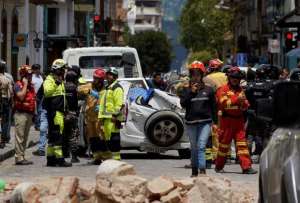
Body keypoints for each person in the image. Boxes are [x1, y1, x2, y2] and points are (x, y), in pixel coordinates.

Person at [215, 67, 257, 174]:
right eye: (233, 77)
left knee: (242, 145)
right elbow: (223, 103)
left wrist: (244, 104)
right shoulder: (222, 89)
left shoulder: (240, 90)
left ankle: (246, 167)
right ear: (229, 77)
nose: (235, 79)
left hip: (239, 122)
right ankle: (219, 166)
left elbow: (246, 104)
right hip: (227, 122)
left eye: (237, 78)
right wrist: (236, 100)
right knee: (224, 145)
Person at [180, 61, 217, 177]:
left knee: (201, 146)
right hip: (191, 123)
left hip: (205, 122)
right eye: (193, 74)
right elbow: (183, 104)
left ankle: (202, 170)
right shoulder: (186, 90)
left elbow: (213, 107)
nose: (195, 77)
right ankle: (194, 170)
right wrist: (191, 92)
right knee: (194, 147)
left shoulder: (209, 90)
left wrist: (216, 123)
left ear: (202, 75)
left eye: (198, 74)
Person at [43, 59, 72, 167]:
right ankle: (60, 160)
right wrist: (56, 83)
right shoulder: (50, 80)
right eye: (63, 69)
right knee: (58, 135)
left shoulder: (58, 80)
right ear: (58, 69)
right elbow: (47, 92)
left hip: (59, 112)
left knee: (52, 136)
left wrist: (66, 110)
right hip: (55, 112)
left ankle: (50, 159)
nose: (65, 71)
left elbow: (62, 97)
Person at [78, 68, 106, 165]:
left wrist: (100, 104)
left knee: (101, 137)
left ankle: (105, 157)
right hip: (90, 117)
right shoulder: (90, 86)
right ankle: (96, 157)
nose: (95, 80)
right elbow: (79, 89)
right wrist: (88, 91)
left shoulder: (105, 89)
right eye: (94, 78)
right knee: (93, 138)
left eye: (97, 78)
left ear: (102, 80)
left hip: (100, 117)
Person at [98, 67, 125, 161]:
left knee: (114, 139)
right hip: (106, 118)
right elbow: (103, 104)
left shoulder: (117, 88)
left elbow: (119, 104)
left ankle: (116, 159)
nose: (108, 76)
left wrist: (115, 115)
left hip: (113, 119)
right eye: (107, 74)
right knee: (107, 140)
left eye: (110, 75)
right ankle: (109, 159)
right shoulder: (107, 88)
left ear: (115, 77)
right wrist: (100, 118)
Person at [14, 65, 36, 165]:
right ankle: (19, 158)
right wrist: (25, 84)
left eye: (31, 75)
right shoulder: (18, 85)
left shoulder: (31, 86)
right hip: (20, 114)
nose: (30, 77)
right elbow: (21, 97)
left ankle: (22, 156)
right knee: (20, 136)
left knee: (25, 136)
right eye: (28, 75)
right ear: (23, 75)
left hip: (29, 114)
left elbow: (33, 100)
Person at [64, 69, 80, 163]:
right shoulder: (75, 88)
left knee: (63, 134)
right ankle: (74, 156)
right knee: (73, 135)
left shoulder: (62, 87)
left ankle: (64, 153)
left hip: (63, 114)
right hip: (73, 114)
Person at [0, 60, 13, 148]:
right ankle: (3, 139)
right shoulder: (7, 79)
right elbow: (10, 93)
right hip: (4, 101)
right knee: (4, 121)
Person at [31, 64, 44, 130]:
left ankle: (37, 125)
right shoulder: (32, 77)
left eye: (38, 68)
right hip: (34, 96)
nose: (38, 70)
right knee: (34, 110)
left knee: (39, 110)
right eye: (36, 69)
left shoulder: (41, 77)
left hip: (41, 96)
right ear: (33, 70)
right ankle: (34, 122)